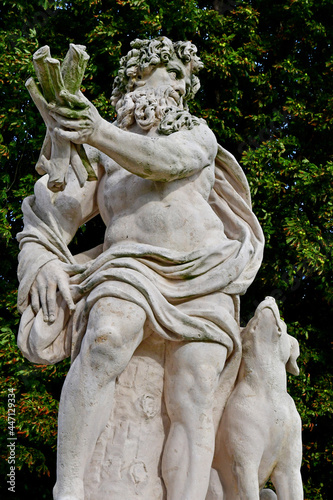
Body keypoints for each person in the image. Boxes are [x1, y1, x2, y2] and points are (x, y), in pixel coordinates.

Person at [17, 37, 264, 500]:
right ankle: (69, 488)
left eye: (182, 78)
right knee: (106, 340)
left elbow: (166, 163)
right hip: (126, 265)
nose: (176, 85)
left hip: (203, 272)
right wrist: (45, 260)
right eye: (166, 71)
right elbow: (51, 215)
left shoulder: (195, 134)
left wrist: (96, 131)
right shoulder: (100, 153)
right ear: (133, 78)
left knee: (194, 392)